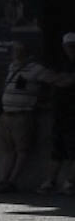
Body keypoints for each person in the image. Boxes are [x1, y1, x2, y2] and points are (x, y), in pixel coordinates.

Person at [0, 40, 74, 193]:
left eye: (19, 50)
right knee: (9, 151)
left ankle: (12, 181)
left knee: (22, 150)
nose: (15, 53)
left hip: (22, 115)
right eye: (15, 50)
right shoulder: (12, 66)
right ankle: (4, 180)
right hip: (7, 115)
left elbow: (57, 80)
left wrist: (68, 79)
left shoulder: (36, 69)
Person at [38, 32, 75, 195]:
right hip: (59, 111)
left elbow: (67, 81)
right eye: (68, 46)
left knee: (73, 149)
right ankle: (50, 181)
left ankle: (70, 183)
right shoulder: (59, 62)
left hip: (73, 112)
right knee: (57, 148)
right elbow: (45, 76)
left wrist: (60, 79)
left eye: (73, 46)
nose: (71, 49)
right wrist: (61, 78)